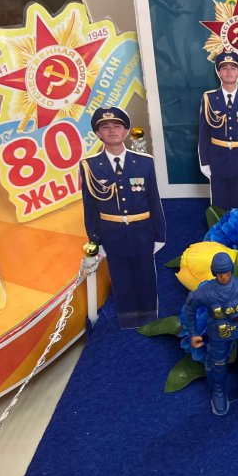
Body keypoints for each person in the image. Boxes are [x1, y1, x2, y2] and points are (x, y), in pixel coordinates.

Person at [79, 107, 166, 329]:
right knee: (120, 276)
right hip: (112, 232)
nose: (112, 131)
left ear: (126, 131)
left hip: (142, 229)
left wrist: (160, 234)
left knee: (146, 274)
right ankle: (128, 318)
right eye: (105, 127)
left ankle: (149, 317)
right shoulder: (90, 166)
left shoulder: (144, 162)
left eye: (117, 126)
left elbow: (154, 199)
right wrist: (95, 240)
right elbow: (90, 206)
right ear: (98, 133)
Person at [183, 252, 238, 416]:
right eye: (220, 274)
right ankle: (218, 391)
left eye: (227, 273)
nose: (224, 277)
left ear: (231, 270)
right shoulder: (206, 292)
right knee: (217, 365)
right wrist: (193, 333)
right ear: (214, 273)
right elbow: (190, 308)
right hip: (218, 334)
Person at [197, 51, 238, 210]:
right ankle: (219, 226)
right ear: (218, 72)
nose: (229, 71)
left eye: (233, 68)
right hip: (217, 157)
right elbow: (203, 133)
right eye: (224, 68)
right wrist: (204, 161)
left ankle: (237, 226)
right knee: (218, 201)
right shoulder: (209, 99)